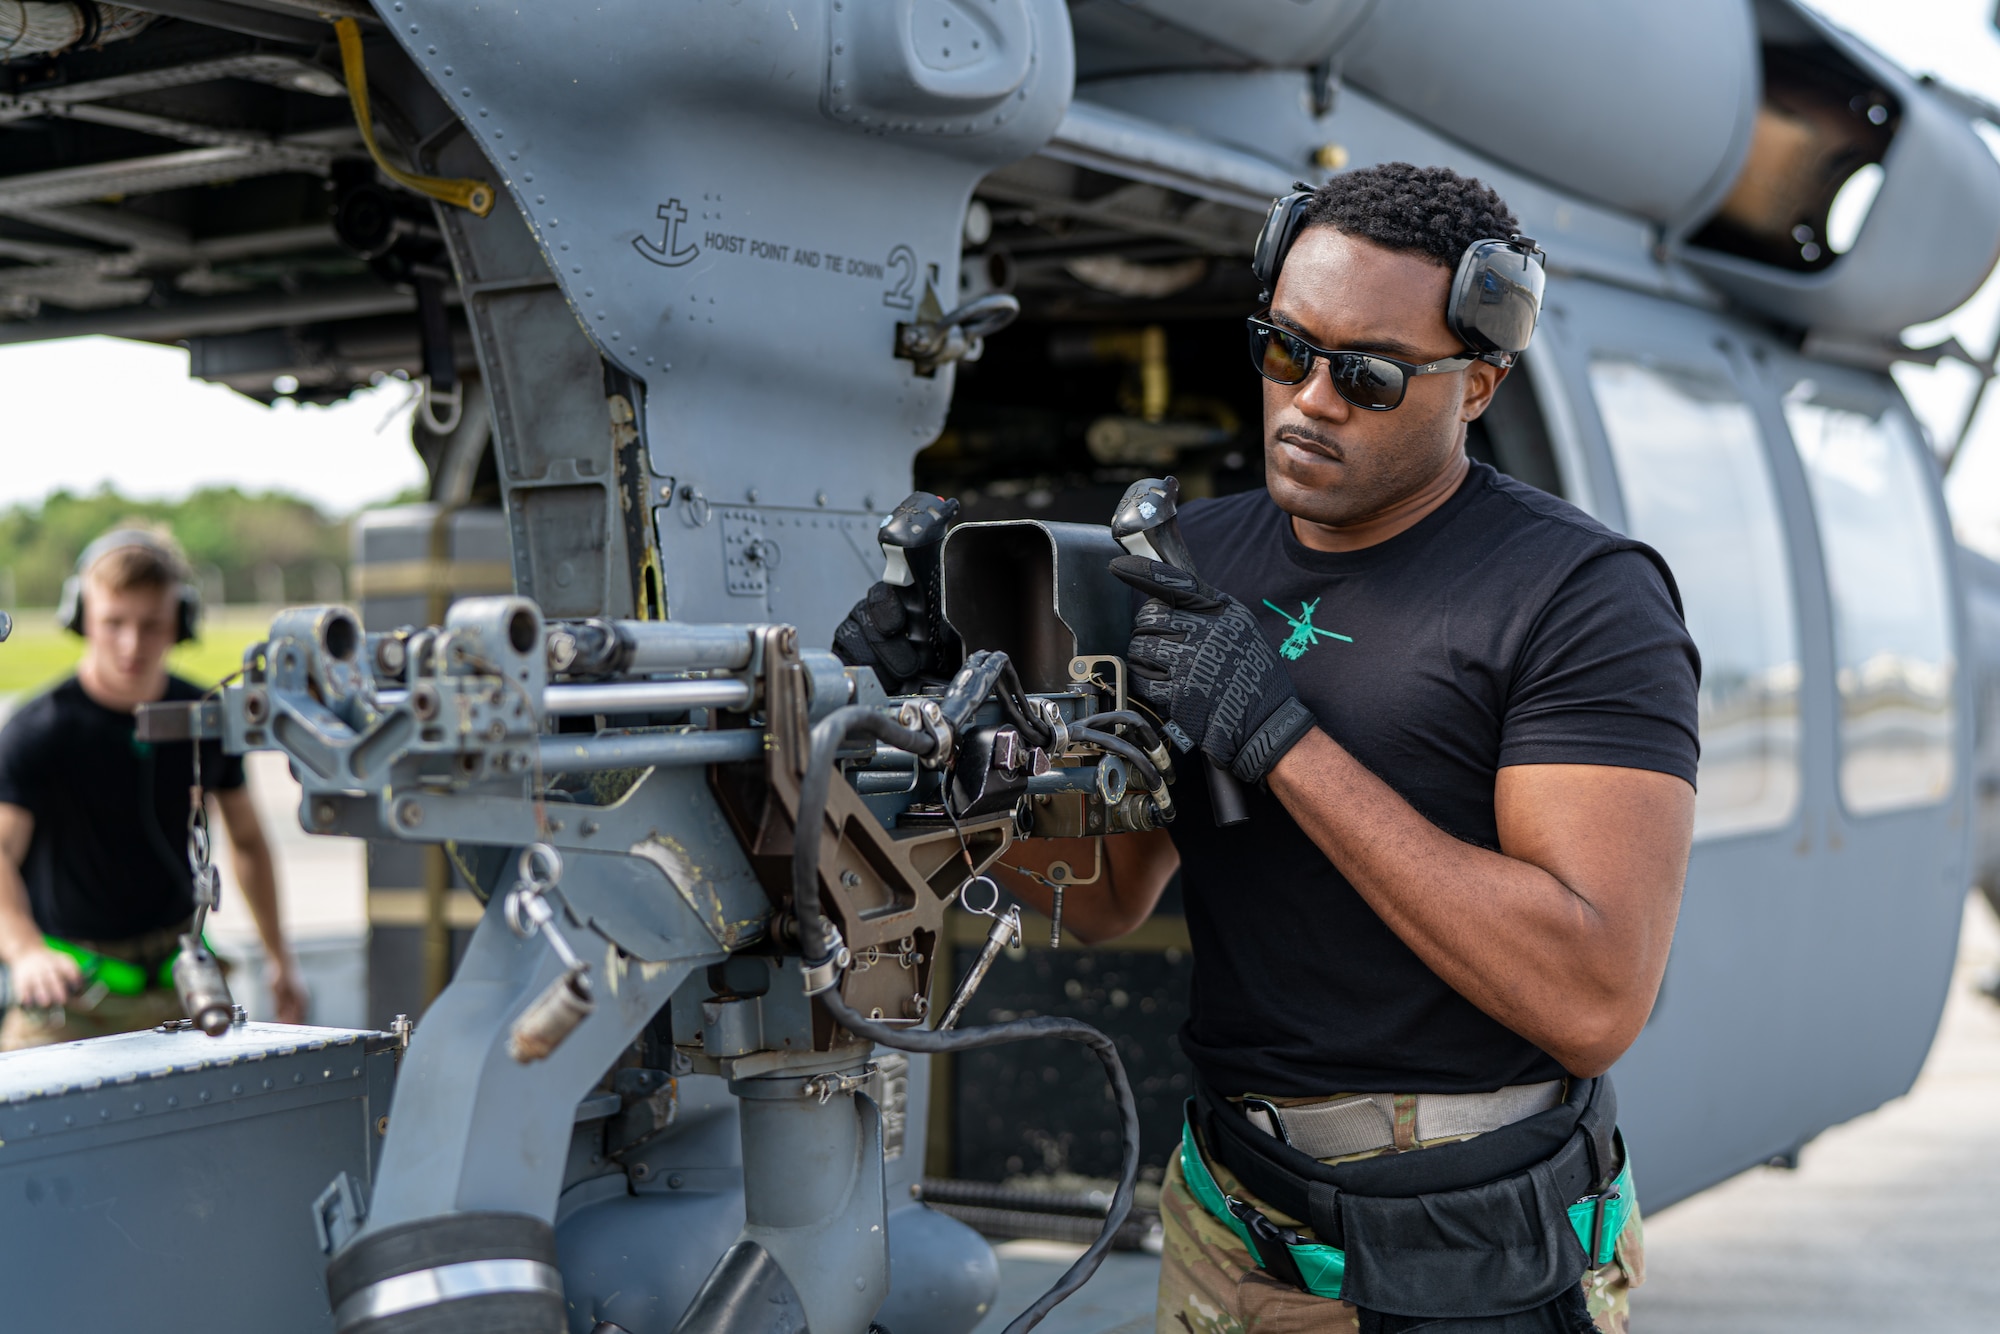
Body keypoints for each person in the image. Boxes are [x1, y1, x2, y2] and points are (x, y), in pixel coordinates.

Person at [838, 163, 1699, 1333]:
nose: (1309, 400)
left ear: (1477, 383)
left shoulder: (1576, 595)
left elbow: (1589, 994)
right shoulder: (1196, 562)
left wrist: (1277, 738)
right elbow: (1102, 899)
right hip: (1234, 1202)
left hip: (1464, 1234)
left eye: (1367, 373)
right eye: (1284, 349)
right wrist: (933, 734)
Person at [0, 528, 307, 1048]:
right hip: (69, 995)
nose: (131, 644)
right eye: (113, 623)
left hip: (184, 990)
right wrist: (26, 950)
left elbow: (249, 842)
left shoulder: (206, 718)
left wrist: (280, 958)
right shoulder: (38, 730)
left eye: (151, 625)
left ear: (181, 623)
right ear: (80, 618)